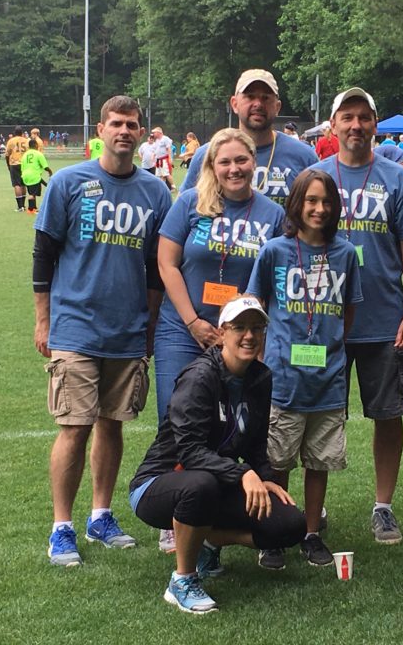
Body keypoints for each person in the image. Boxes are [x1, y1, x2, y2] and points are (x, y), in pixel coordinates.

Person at [33, 95, 173, 568]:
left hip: (128, 330)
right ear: (101, 129)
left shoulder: (156, 192)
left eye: (132, 124)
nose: (124, 131)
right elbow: (44, 256)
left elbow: (156, 269)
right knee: (74, 427)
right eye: (116, 123)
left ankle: (100, 515)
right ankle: (61, 527)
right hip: (75, 326)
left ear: (141, 132)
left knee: (112, 424)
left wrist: (150, 324)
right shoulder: (69, 182)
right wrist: (43, 320)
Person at [129, 297, 306, 615]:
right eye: (239, 327)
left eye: (257, 328)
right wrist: (243, 474)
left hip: (215, 482)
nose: (249, 335)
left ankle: (207, 542)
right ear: (222, 332)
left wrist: (265, 477)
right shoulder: (199, 376)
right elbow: (189, 451)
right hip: (158, 484)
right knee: (201, 484)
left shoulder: (260, 377)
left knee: (289, 523)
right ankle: (182, 580)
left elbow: (255, 444)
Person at [154, 127, 285, 553]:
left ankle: (215, 513)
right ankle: (176, 514)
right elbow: (167, 262)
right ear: (211, 165)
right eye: (224, 161)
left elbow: (271, 275)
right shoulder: (191, 202)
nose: (234, 168)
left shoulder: (271, 213)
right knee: (178, 422)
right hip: (183, 329)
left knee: (234, 423)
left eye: (241, 160)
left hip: (239, 335)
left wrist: (246, 335)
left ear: (254, 163)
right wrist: (193, 321)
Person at [313, 87, 403, 545]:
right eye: (347, 117)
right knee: (319, 415)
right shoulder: (316, 176)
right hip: (325, 321)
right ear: (333, 125)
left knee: (388, 414)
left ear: (375, 125)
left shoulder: (397, 178)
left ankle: (383, 507)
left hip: (384, 320)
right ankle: (316, 506)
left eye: (364, 117)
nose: (356, 125)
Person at [246, 169, 364, 568]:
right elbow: (256, 304)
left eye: (327, 201)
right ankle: (275, 533)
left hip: (328, 380)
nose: (319, 208)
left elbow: (348, 313)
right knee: (278, 462)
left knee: (318, 463)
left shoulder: (345, 254)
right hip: (283, 379)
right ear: (296, 204)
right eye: (311, 200)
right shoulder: (274, 251)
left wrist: (328, 345)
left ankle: (311, 533)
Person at [181, 69, 318, 206]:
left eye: (265, 98)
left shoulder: (304, 157)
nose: (258, 104)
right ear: (234, 104)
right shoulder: (206, 155)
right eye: (250, 96)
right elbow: (185, 209)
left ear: (277, 107)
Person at [21, 138, 53, 213]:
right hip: (34, 176)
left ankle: (34, 208)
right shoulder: (38, 154)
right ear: (36, 145)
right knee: (32, 194)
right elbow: (45, 166)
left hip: (26, 176)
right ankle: (31, 209)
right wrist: (50, 171)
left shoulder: (25, 155)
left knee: (32, 192)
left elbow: (22, 167)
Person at [5, 125, 29, 211]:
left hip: (14, 164)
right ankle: (23, 205)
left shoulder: (11, 141)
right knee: (23, 184)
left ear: (14, 133)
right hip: (24, 164)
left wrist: (8, 165)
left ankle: (20, 206)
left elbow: (7, 154)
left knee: (16, 184)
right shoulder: (26, 141)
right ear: (22, 133)